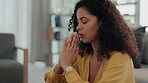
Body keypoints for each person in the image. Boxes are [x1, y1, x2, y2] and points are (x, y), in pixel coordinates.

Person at [44, 0, 139, 83]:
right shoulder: (83, 57)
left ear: (103, 22)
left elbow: (71, 74)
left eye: (84, 21)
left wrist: (68, 67)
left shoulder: (121, 58)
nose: (78, 27)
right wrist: (60, 66)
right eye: (77, 22)